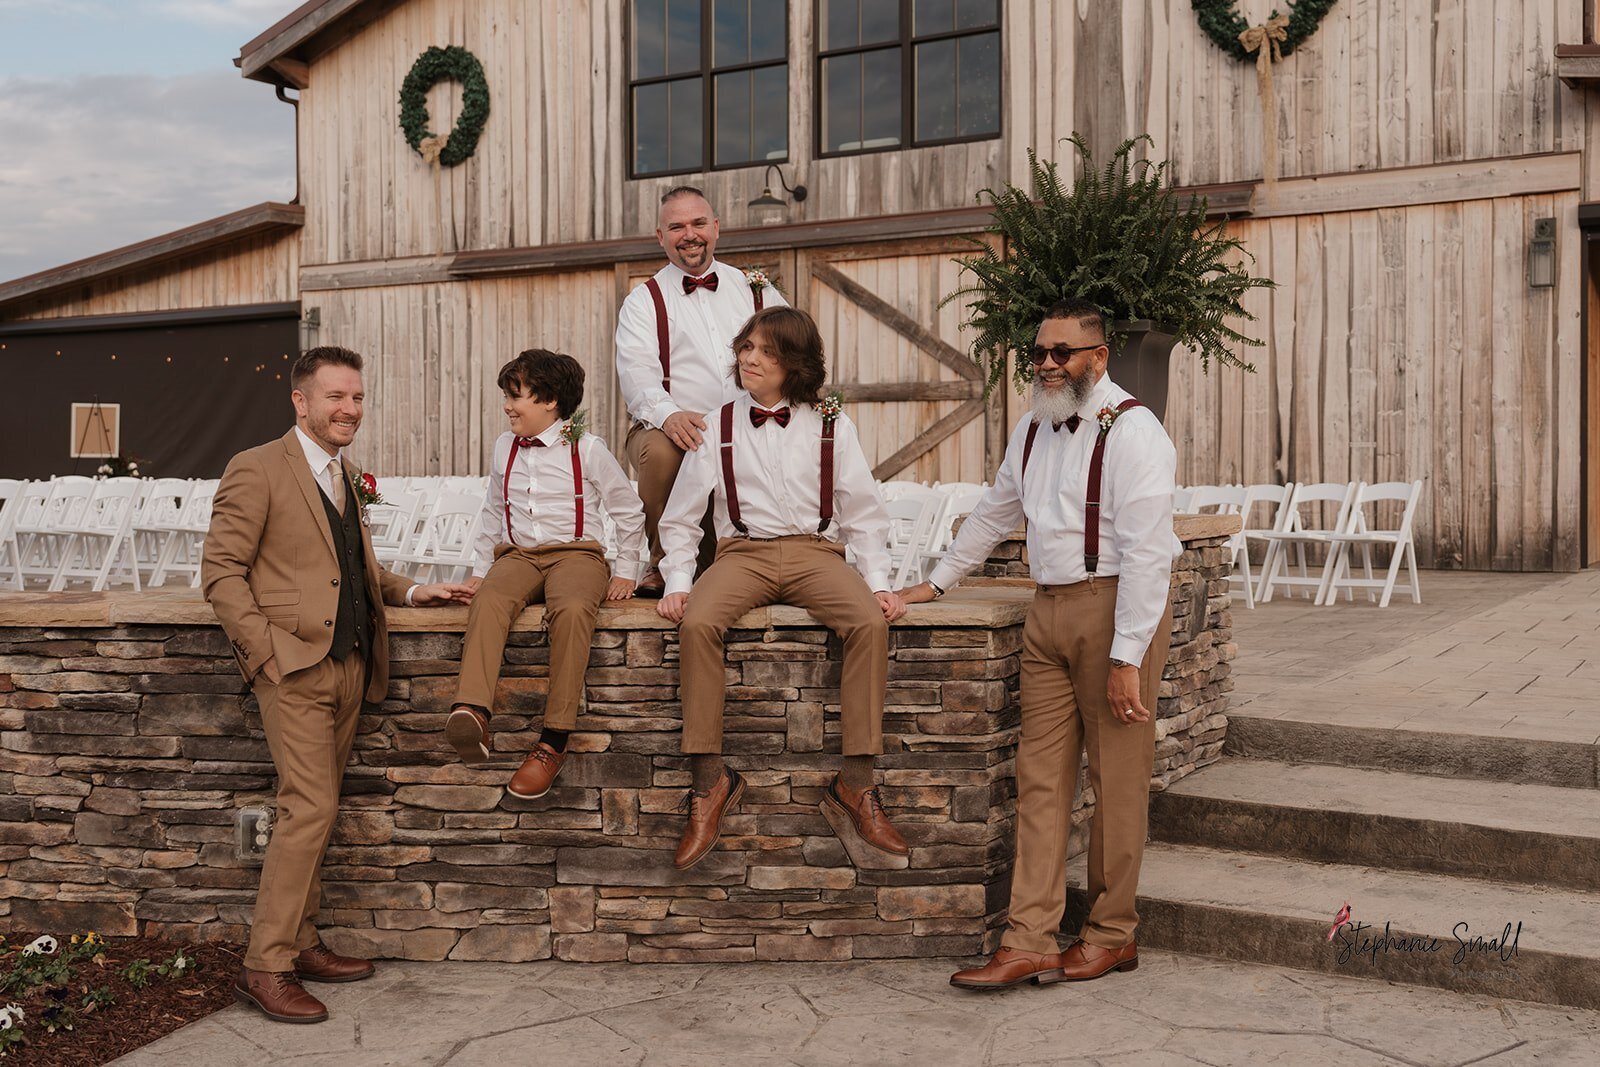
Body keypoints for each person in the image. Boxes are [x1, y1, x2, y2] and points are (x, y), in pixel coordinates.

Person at [901, 299, 1180, 990]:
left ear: (1099, 357)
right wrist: (935, 583)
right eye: (1040, 352)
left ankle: (1113, 934)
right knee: (1040, 779)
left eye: (1064, 352)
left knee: (1114, 781)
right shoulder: (1033, 426)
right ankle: (1028, 937)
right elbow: (995, 510)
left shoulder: (1134, 431)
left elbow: (1149, 553)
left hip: (1116, 607)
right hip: (1048, 610)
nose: (1049, 364)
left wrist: (1127, 657)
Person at [203, 346, 472, 1024]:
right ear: (301, 401)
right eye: (335, 397)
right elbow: (221, 573)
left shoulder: (347, 476)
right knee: (306, 810)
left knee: (317, 812)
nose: (350, 408)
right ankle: (265, 964)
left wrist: (414, 588)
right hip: (293, 669)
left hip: (351, 667)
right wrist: (267, 656)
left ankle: (303, 938)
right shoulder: (257, 467)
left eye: (357, 397)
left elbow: (356, 568)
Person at [656, 306, 910, 871]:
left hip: (815, 552)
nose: (749, 358)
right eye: (745, 347)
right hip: (741, 553)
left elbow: (862, 510)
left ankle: (856, 785)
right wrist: (677, 580)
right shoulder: (716, 424)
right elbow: (679, 518)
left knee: (869, 624)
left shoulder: (831, 422)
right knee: (697, 623)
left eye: (765, 352)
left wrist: (878, 584)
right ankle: (709, 784)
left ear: (793, 363)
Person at [444, 349, 646, 798]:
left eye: (517, 396)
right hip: (518, 555)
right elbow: (494, 510)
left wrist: (627, 570)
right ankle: (473, 710)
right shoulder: (503, 446)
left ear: (550, 400)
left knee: (573, 610)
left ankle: (553, 741)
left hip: (577, 555)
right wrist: (481, 570)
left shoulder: (588, 448)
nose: (507, 406)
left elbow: (628, 510)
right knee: (491, 600)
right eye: (507, 395)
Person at [615, 185, 788, 595]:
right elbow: (637, 374)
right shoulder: (644, 300)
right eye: (676, 227)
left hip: (748, 421)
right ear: (661, 237)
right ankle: (664, 562)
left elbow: (793, 349)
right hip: (674, 425)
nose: (688, 234)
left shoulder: (756, 290)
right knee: (661, 449)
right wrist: (668, 414)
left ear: (716, 228)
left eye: (697, 223)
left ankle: (771, 556)